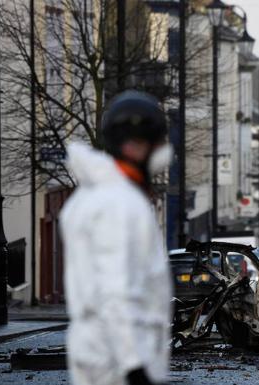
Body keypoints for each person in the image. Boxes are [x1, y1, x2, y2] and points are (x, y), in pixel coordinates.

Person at [60, 91, 174, 385]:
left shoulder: (92, 196)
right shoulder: (119, 204)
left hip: (99, 350)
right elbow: (116, 292)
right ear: (136, 146)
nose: (164, 152)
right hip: (116, 358)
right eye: (159, 142)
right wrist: (134, 366)